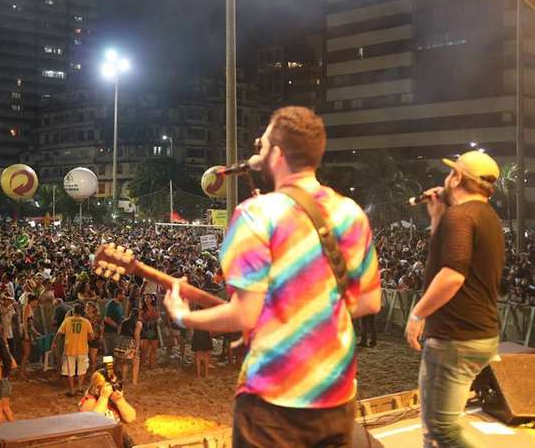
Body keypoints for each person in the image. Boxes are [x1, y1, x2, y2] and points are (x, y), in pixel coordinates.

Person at [163, 107, 381, 447]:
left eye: (261, 145)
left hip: (274, 402)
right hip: (337, 395)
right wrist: (308, 316)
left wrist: (183, 316)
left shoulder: (257, 214)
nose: (256, 152)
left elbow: (243, 313)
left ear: (277, 155)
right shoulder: (350, 213)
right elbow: (369, 301)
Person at [404, 150, 504, 447]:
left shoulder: (460, 216)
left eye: (451, 173)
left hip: (455, 338)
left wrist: (417, 314)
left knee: (441, 430)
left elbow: (452, 274)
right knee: (444, 426)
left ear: (457, 177)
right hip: (479, 334)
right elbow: (447, 257)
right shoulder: (487, 216)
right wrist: (437, 218)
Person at [51, 303, 93, 397]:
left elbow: (58, 334)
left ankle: (72, 390)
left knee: (70, 371)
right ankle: (80, 388)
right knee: (82, 370)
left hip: (69, 349)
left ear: (73, 311)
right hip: (82, 349)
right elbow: (91, 336)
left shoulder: (67, 321)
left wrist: (53, 343)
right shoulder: (86, 322)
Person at [114, 308, 142, 386]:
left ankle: (123, 380)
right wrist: (137, 348)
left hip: (121, 342)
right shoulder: (138, 323)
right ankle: (134, 382)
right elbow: (137, 335)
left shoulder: (124, 321)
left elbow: (119, 332)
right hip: (130, 343)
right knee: (136, 362)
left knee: (125, 362)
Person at [19, 294, 40, 379]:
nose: (37, 303)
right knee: (26, 353)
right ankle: (21, 372)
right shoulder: (27, 307)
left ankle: (24, 370)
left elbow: (30, 324)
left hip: (28, 331)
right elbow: (24, 321)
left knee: (28, 352)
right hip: (25, 331)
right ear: (33, 301)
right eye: (36, 301)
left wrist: (35, 332)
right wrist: (26, 334)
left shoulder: (30, 308)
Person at [102, 288, 124, 356]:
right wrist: (117, 327)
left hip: (116, 333)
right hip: (109, 333)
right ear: (118, 295)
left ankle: (114, 366)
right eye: (123, 294)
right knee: (109, 354)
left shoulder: (119, 305)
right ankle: (109, 367)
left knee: (116, 353)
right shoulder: (111, 305)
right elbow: (107, 319)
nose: (124, 296)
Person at [84, 301, 103, 375]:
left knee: (93, 358)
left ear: (93, 308)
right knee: (86, 358)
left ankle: (92, 373)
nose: (87, 308)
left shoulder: (97, 317)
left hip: (95, 339)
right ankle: (87, 373)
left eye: (89, 307)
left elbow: (101, 327)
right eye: (87, 307)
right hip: (85, 339)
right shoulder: (84, 317)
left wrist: (101, 336)